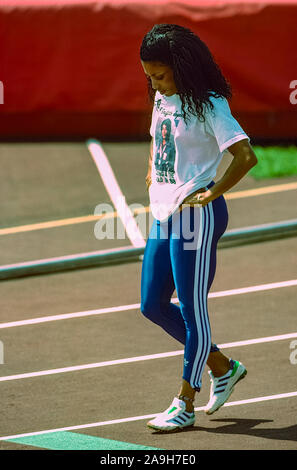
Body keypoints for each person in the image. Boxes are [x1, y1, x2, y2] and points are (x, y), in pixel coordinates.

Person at [139, 23, 257, 432]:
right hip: (164, 211)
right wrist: (155, 170)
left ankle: (184, 402)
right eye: (149, 75)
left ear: (181, 67)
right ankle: (223, 367)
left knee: (192, 309)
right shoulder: (161, 97)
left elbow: (245, 156)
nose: (154, 82)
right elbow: (159, 139)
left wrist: (213, 192)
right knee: (152, 304)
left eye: (160, 74)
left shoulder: (210, 105)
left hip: (196, 215)